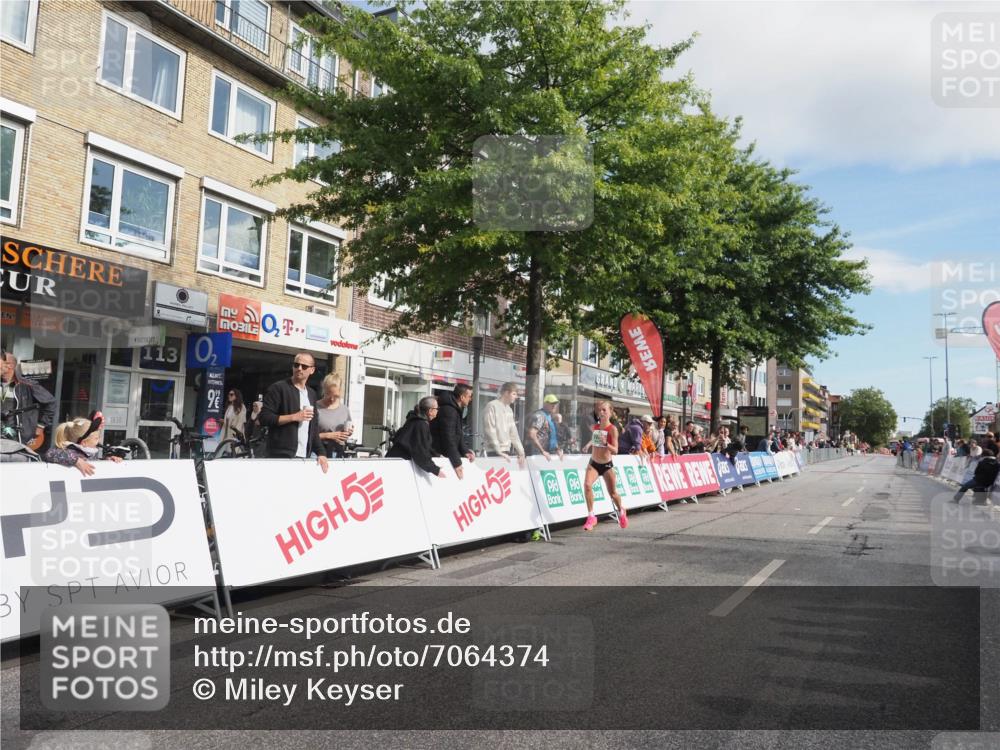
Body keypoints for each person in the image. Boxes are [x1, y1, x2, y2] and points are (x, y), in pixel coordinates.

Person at [257, 352, 329, 473]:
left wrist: (321, 453)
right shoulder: (278, 388)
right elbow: (264, 418)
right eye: (296, 365)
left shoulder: (311, 394)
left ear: (312, 370)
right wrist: (294, 417)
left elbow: (313, 429)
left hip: (303, 457)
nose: (299, 368)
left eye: (304, 366)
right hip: (280, 456)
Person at [582, 400, 627, 531]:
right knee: (587, 485)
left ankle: (622, 510)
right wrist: (588, 445)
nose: (601, 412)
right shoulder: (595, 427)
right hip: (594, 463)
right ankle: (591, 516)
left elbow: (616, 450)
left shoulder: (612, 429)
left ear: (610, 413)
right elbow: (595, 438)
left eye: (604, 410)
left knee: (613, 494)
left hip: (606, 465)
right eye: (599, 410)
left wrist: (606, 444)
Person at [1, 349, 55, 450]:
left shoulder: (28, 385)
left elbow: (51, 403)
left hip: (18, 438)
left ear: (9, 365)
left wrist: (41, 426)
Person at [43, 412, 122, 476]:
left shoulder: (87, 453)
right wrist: (77, 461)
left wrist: (107, 460)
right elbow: (50, 454)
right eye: (96, 438)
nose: (99, 441)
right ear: (84, 443)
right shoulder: (70, 451)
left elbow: (91, 464)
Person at [388, 396, 445, 478]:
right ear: (430, 411)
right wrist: (435, 470)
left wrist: (436, 454)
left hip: (396, 461)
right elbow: (420, 451)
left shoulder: (415, 420)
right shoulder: (420, 424)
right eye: (437, 408)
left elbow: (424, 445)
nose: (437, 411)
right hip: (397, 464)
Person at [431, 384, 475, 479]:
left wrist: (465, 451)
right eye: (469, 396)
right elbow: (448, 437)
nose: (470, 399)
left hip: (445, 454)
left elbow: (458, 434)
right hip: (440, 455)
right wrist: (457, 463)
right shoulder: (449, 411)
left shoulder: (455, 408)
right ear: (462, 397)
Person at [483, 382, 526, 466]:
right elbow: (490, 430)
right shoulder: (492, 406)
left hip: (506, 451)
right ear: (506, 393)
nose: (516, 397)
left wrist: (521, 452)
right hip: (493, 451)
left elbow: (513, 433)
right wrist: (498, 450)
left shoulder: (509, 409)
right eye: (514, 394)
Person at [315, 373, 353, 458]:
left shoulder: (344, 410)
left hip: (338, 453)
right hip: (318, 453)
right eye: (328, 394)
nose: (332, 399)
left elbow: (345, 433)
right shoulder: (315, 407)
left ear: (340, 391)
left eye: (336, 396)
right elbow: (307, 435)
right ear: (323, 390)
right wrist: (328, 435)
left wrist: (348, 433)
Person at [527, 394, 562, 460]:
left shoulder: (549, 416)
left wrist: (557, 449)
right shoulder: (540, 415)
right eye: (552, 403)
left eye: (555, 403)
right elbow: (532, 434)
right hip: (538, 455)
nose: (554, 406)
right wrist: (543, 451)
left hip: (547, 453)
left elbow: (552, 435)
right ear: (545, 403)